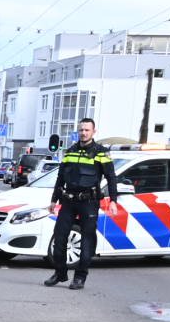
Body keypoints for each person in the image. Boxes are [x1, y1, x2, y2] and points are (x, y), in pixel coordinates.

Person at [45, 117, 118, 289]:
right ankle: (60, 273)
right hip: (68, 201)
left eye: (87, 130)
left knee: (87, 240)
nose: (83, 133)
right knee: (60, 238)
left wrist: (113, 200)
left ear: (94, 131)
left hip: (89, 202)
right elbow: (60, 178)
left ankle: (80, 277)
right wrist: (53, 200)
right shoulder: (70, 151)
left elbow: (111, 177)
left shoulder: (101, 152)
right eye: (81, 130)